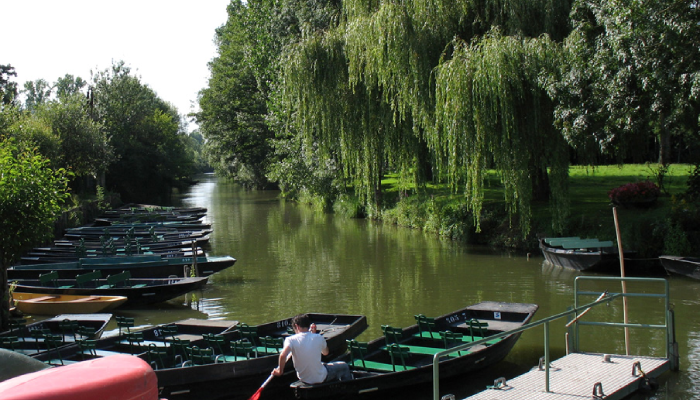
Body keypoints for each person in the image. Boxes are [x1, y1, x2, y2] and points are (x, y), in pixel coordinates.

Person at [271, 314, 353, 384]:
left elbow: (283, 355)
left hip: (303, 378)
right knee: (344, 366)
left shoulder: (290, 340)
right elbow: (326, 353)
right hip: (320, 378)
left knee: (322, 364)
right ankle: (347, 390)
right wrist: (315, 335)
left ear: (297, 326)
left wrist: (280, 371)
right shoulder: (318, 337)